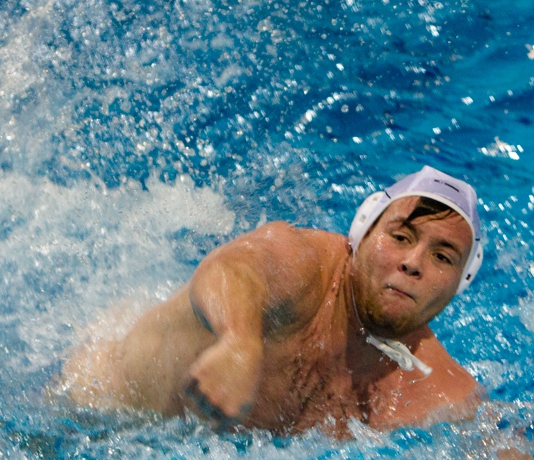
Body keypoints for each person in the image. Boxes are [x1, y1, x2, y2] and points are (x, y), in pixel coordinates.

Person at [59, 165, 485, 435]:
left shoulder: (439, 389)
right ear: (360, 235)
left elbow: (506, 449)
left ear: (459, 284)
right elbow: (231, 270)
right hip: (90, 410)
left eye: (442, 257)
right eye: (400, 236)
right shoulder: (304, 265)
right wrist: (239, 341)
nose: (413, 263)